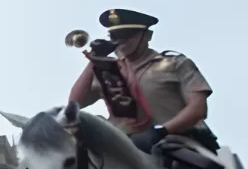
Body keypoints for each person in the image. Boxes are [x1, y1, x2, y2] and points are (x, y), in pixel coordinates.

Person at [67, 9, 219, 154]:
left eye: (126, 34)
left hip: (177, 142)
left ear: (147, 35)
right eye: (114, 36)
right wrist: (94, 60)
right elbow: (75, 104)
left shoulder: (176, 64)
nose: (120, 40)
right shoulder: (108, 71)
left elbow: (198, 108)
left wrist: (160, 131)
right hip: (123, 148)